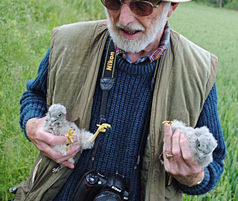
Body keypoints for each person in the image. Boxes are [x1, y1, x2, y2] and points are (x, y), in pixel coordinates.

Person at [16, 0, 226, 200]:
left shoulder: (198, 70)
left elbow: (214, 162)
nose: (123, 19)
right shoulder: (68, 41)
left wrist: (194, 176)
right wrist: (33, 125)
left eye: (141, 6)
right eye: (113, 2)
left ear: (170, 7)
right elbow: (34, 95)